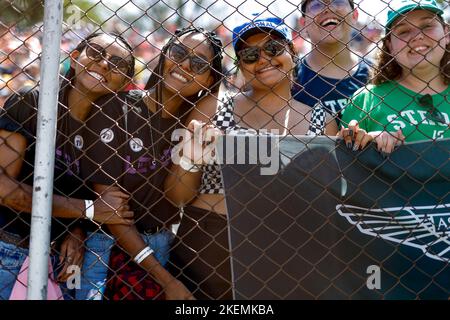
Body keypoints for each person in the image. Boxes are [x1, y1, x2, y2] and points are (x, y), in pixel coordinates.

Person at [165, 15, 338, 300]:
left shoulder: (322, 120)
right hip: (212, 240)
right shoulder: (213, 107)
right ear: (241, 65)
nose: (263, 60)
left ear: (292, 54)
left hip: (287, 246)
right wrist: (190, 160)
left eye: (273, 49)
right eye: (249, 54)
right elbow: (177, 196)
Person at [79, 26, 224, 300]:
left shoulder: (194, 127)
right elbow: (112, 213)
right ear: (164, 54)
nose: (184, 65)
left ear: (208, 79)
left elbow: (180, 198)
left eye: (199, 63)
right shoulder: (115, 109)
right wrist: (166, 281)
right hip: (107, 248)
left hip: (163, 245)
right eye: (179, 52)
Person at [0, 32, 135, 300]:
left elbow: (77, 191)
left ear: (126, 83)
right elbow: (5, 189)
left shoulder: (113, 132)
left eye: (118, 64)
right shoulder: (32, 102)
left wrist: (76, 228)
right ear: (74, 58)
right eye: (96, 53)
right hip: (8, 250)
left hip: (59, 263)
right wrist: (89, 211)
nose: (105, 64)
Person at [341, 0, 450, 154]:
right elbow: (346, 167)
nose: (417, 36)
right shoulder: (365, 100)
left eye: (427, 26)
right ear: (390, 46)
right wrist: (369, 145)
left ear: (446, 34)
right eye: (404, 31)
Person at [292, 0, 372, 123]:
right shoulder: (292, 78)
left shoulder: (377, 73)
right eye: (316, 5)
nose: (328, 9)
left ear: (355, 14)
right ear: (303, 23)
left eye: (338, 1)